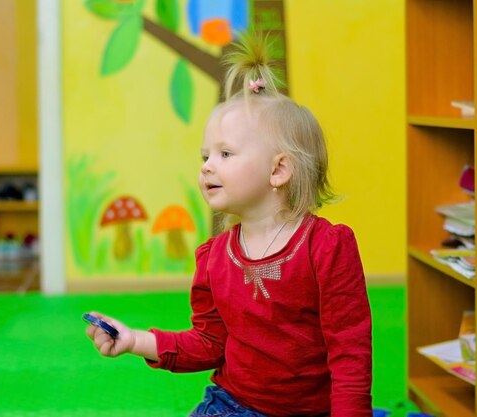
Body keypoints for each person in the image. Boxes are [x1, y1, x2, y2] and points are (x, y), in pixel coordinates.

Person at [86, 32, 372, 417]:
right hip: (233, 406)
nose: (206, 166)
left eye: (225, 153)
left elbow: (351, 353)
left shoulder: (327, 247)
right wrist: (135, 340)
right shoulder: (214, 256)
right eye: (205, 155)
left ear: (279, 169)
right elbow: (208, 343)